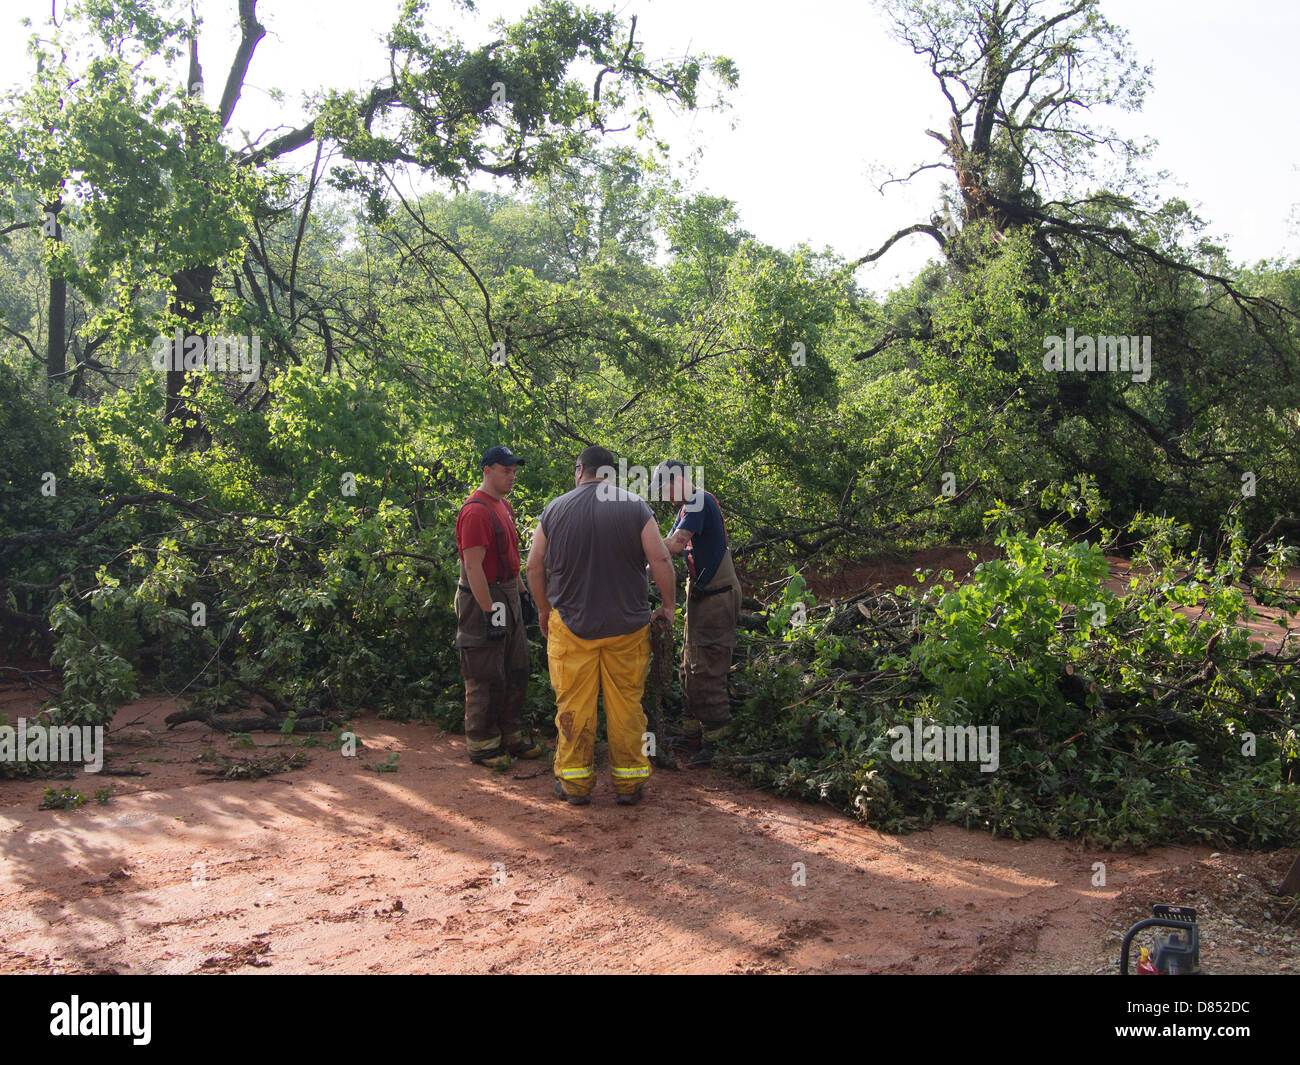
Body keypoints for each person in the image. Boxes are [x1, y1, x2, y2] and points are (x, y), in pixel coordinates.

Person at [526, 446, 676, 806]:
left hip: (571, 627)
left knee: (574, 705)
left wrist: (544, 610)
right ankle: (629, 784)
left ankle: (575, 785)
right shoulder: (636, 507)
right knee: (626, 705)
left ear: (580, 470)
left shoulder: (554, 510)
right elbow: (659, 557)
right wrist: (668, 606)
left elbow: (533, 566)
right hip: (628, 627)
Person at [454, 445, 545, 768]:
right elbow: (474, 567)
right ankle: (481, 744)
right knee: (485, 670)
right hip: (484, 595)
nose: (512, 476)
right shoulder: (476, 511)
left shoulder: (503, 505)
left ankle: (511, 735)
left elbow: (511, 560)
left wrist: (522, 595)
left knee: (516, 666)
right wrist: (489, 610)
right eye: (506, 470)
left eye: (514, 471)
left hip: (506, 591)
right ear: (487, 470)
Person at [653, 460, 741, 767]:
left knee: (709, 666)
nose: (664, 497)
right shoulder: (684, 508)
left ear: (677, 480)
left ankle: (717, 738)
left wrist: (640, 550)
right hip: (700, 594)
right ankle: (692, 734)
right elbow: (664, 550)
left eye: (664, 488)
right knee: (689, 664)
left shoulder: (699, 501)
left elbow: (674, 545)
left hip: (717, 596)